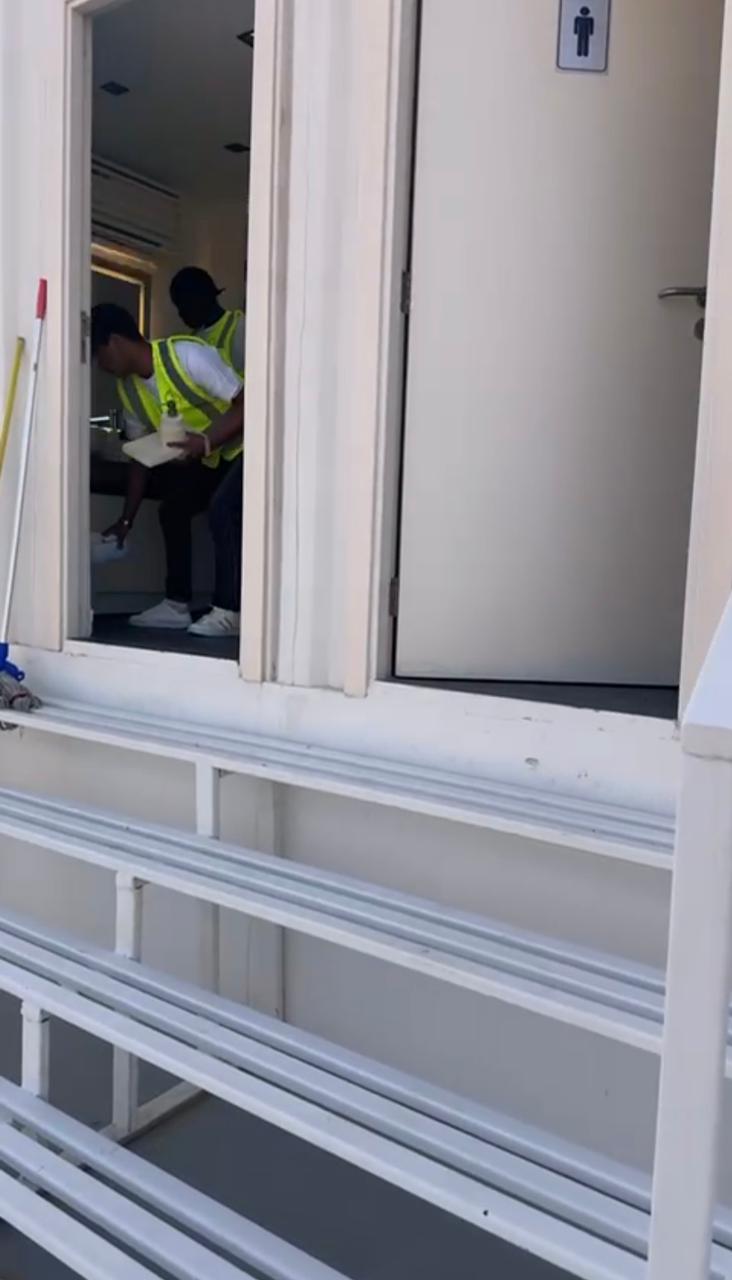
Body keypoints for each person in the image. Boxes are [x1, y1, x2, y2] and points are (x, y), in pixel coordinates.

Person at [91, 303, 244, 638]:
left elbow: (249, 402)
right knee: (173, 510)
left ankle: (230, 611)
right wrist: (126, 520)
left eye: (99, 355)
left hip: (246, 449)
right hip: (210, 457)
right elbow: (140, 457)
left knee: (223, 508)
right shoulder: (129, 389)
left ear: (113, 341)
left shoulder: (187, 356)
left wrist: (206, 441)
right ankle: (176, 605)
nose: (100, 366)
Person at [169, 266, 245, 377]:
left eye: (183, 305)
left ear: (201, 297)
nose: (180, 313)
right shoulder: (193, 340)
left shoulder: (241, 329)